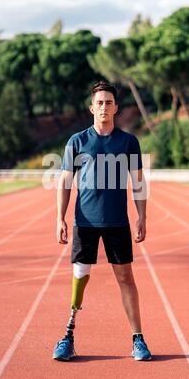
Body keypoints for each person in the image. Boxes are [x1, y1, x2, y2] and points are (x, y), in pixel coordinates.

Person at [53, 80, 152, 361]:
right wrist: (59, 217)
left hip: (117, 222)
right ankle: (68, 336)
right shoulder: (77, 141)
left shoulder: (128, 142)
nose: (104, 107)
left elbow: (139, 183)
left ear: (116, 108)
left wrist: (142, 215)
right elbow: (65, 182)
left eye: (109, 102)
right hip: (84, 223)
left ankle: (138, 340)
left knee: (125, 278)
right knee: (80, 277)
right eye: (99, 102)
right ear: (91, 108)